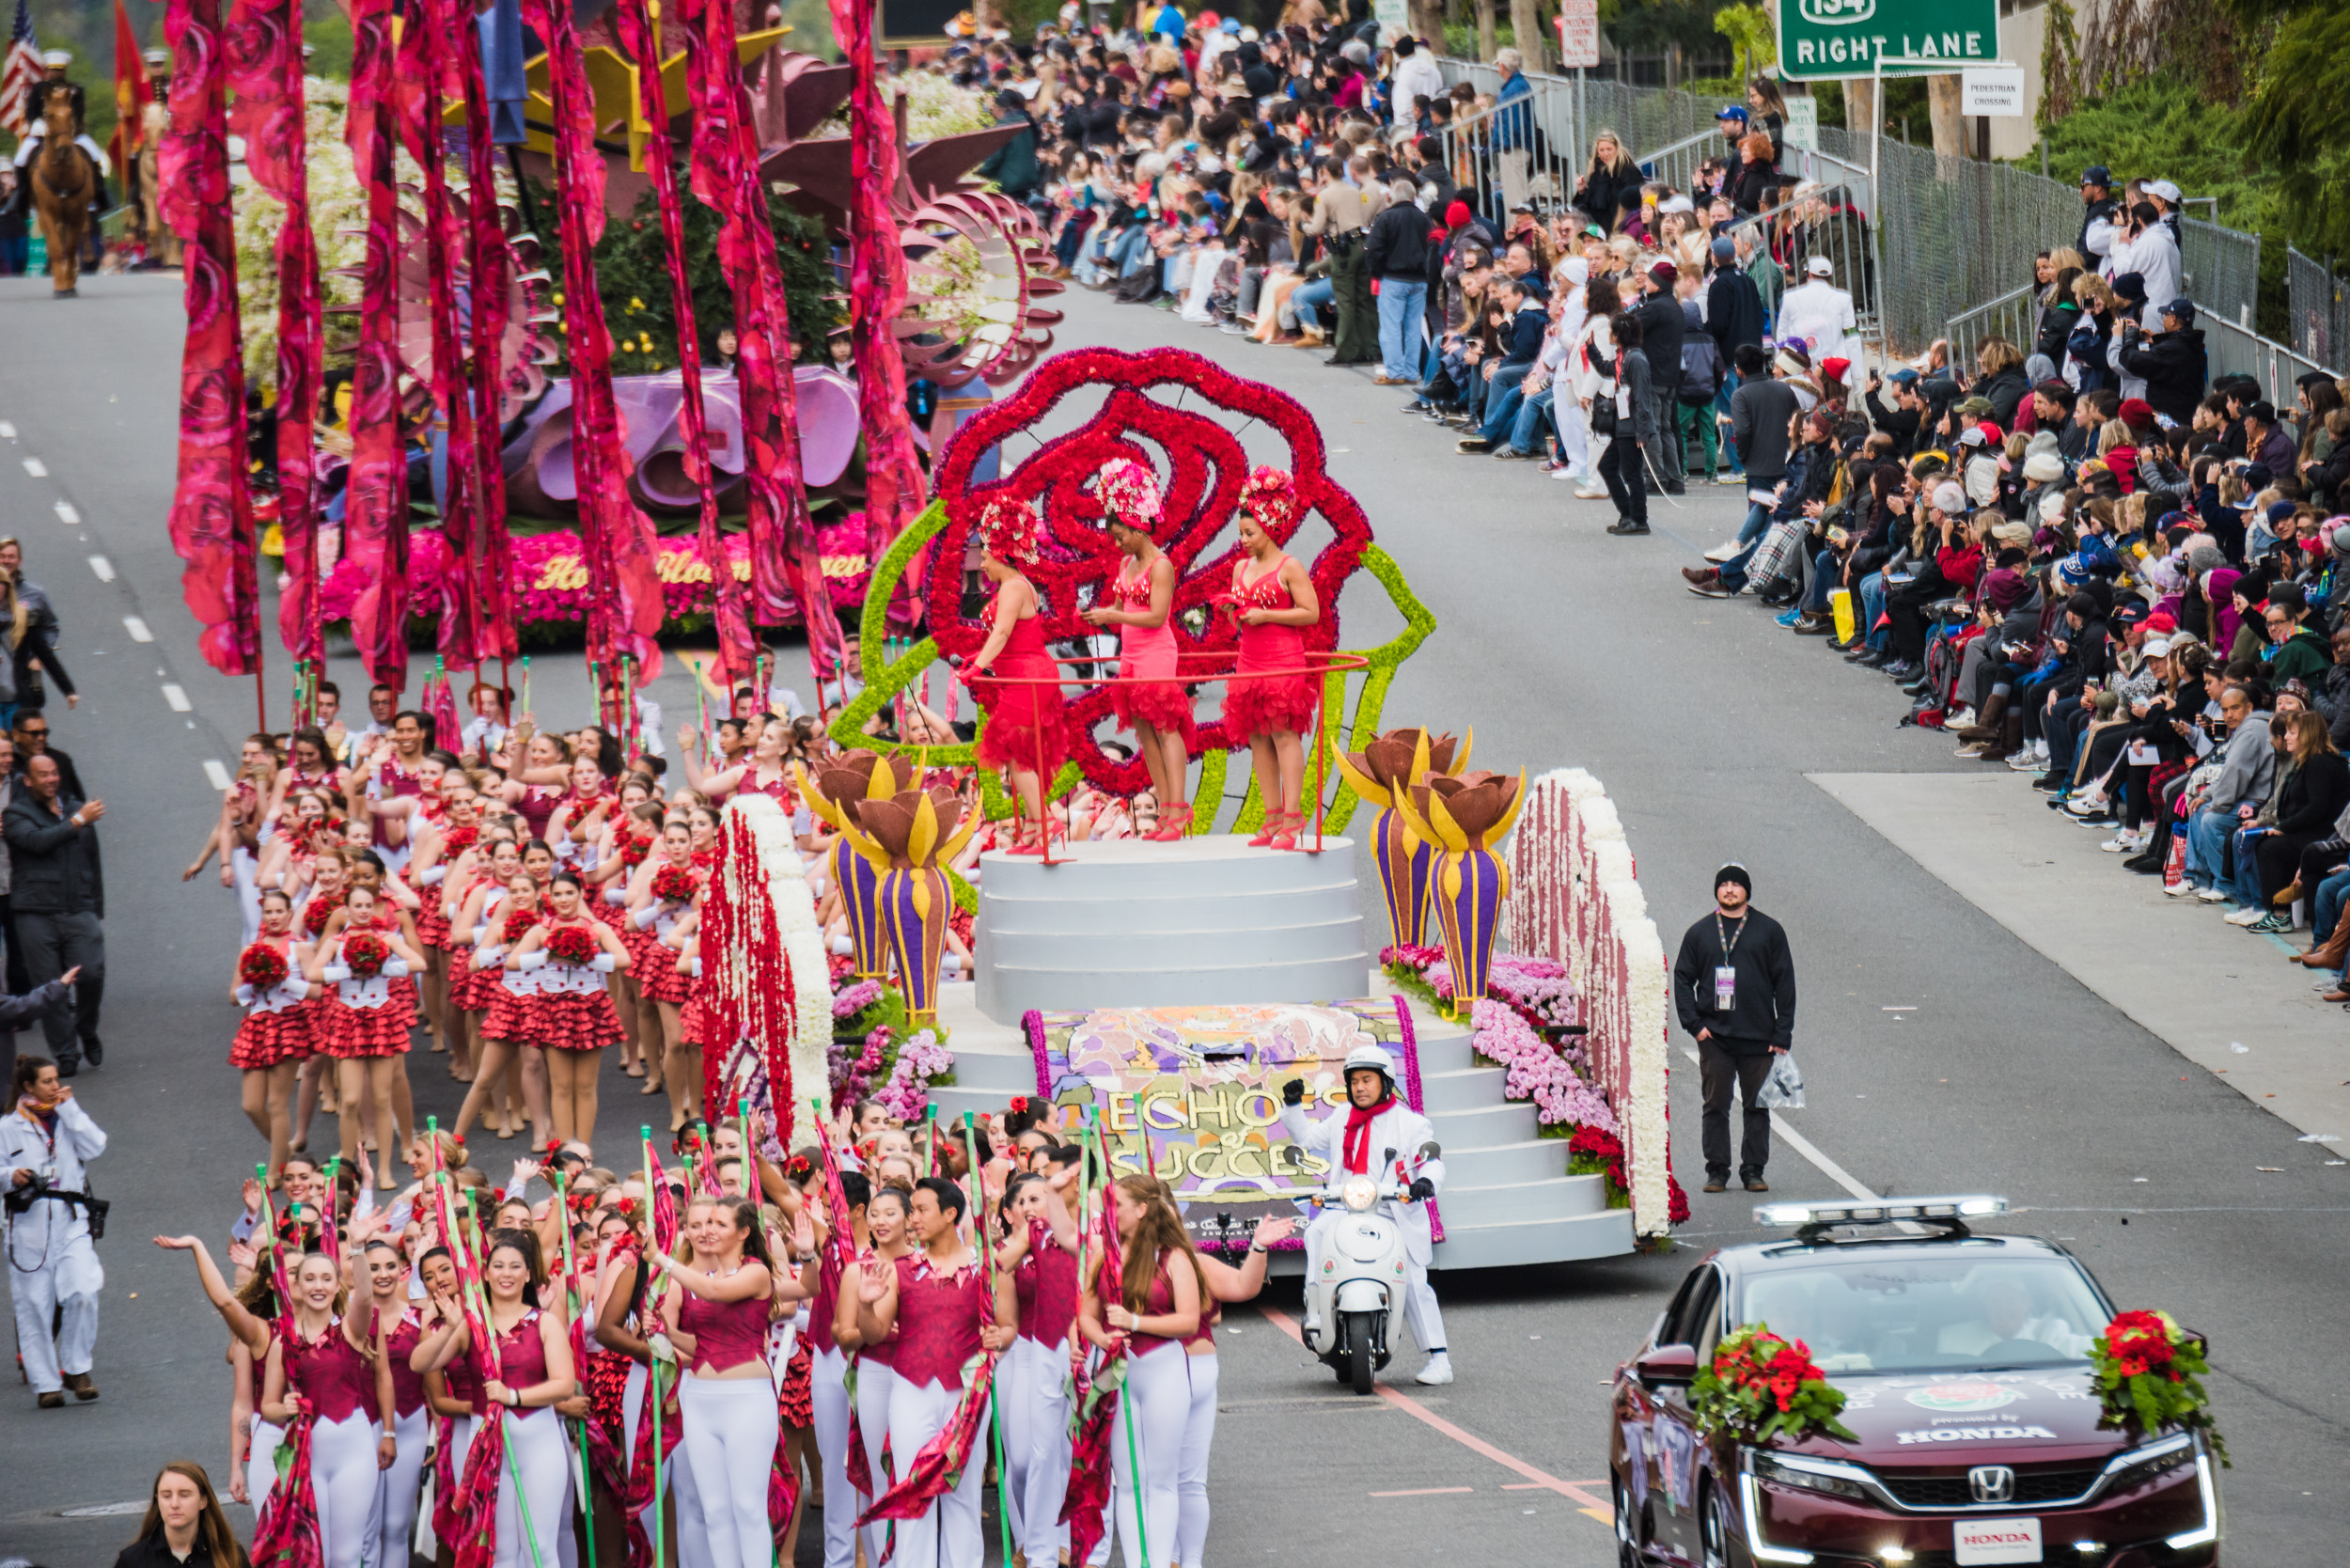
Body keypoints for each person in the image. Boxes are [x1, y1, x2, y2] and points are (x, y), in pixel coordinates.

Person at [1277, 1042, 1450, 1384]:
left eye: (1367, 1080)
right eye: (1354, 1081)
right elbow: (1309, 1138)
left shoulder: (1411, 1123)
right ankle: (1316, 1312)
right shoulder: (1343, 1115)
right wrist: (1293, 1106)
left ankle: (1439, 1359)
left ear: (1385, 1082)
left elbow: (1430, 1161)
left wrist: (1426, 1183)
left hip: (1392, 1210)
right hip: (1346, 1206)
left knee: (1413, 1280)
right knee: (1315, 1232)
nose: (1359, 1087)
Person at [854, 1176, 995, 1568]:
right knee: (910, 1492)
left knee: (963, 1496)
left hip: (966, 1393)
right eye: (911, 1210)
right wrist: (866, 1305)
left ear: (950, 1214)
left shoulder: (985, 1267)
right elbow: (875, 1333)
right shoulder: (899, 1269)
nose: (912, 1219)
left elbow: (1009, 1326)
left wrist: (1003, 1335)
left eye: (920, 1210)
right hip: (911, 1389)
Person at [654, 1194, 803, 1568]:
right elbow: (699, 1344)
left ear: (743, 1232)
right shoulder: (700, 1278)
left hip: (747, 1401)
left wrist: (661, 1258)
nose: (709, 1230)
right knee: (716, 1509)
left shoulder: (756, 1272)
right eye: (704, 1223)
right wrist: (663, 1332)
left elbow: (715, 1293)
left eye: (720, 1223)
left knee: (748, 1506)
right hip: (701, 1400)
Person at [1077, 1173, 1206, 1568]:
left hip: (1164, 1368)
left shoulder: (1174, 1257)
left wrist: (1134, 1323)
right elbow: (1085, 1312)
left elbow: (1188, 1320)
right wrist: (1101, 1338)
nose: (1106, 1212)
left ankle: (1161, 1560)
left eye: (1115, 1204)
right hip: (1118, 1371)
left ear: (1142, 1209)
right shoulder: (1104, 1255)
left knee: (1161, 1480)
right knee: (1129, 1481)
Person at [258, 1250, 396, 1568]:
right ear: (297, 1286)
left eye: (326, 1279)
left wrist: (359, 1251)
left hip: (355, 1450)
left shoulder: (350, 1330)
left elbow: (364, 1298)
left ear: (337, 1286)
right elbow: (268, 1407)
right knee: (314, 1551)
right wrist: (285, 1408)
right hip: (308, 1455)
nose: (317, 1286)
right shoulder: (283, 1341)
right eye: (309, 1279)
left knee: (345, 1555)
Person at [1081, 461, 1197, 838]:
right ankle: (1164, 810)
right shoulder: (1126, 563)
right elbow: (1122, 609)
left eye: (1120, 536)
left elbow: (1156, 616)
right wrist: (1101, 616)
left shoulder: (1161, 566)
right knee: (1145, 733)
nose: (1117, 543)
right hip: (1130, 656)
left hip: (1156, 652)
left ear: (1137, 527)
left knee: (1166, 729)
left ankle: (1178, 810)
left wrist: (1113, 616)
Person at [1671, 864, 1796, 1195]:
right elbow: (1682, 978)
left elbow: (1785, 983)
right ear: (1716, 891)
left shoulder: (1769, 931)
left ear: (1747, 892)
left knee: (1757, 1106)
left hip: (1759, 1037)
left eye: (1736, 885)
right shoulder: (1700, 933)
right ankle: (1717, 1171)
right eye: (1724, 884)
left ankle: (1753, 1170)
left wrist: (1783, 1033)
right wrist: (1694, 1025)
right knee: (1715, 1105)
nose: (1729, 889)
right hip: (1715, 1037)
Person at [1222, 467, 1324, 848]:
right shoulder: (1239, 569)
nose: (1244, 541)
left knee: (1283, 733)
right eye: (1241, 534)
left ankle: (1294, 818)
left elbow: (1310, 612)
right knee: (1257, 736)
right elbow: (1242, 614)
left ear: (1269, 527)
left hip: (1283, 659)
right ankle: (1272, 816)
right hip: (1248, 659)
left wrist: (1267, 615)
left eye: (1250, 533)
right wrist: (1235, 613)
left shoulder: (1290, 567)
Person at [964, 498, 1071, 855]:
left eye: (984, 557)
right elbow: (1002, 641)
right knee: (1019, 754)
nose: (981, 564)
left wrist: (979, 666)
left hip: (1029, 677)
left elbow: (1002, 634)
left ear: (999, 553)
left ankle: (1045, 821)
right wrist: (976, 660)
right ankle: (1033, 829)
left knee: (1011, 749)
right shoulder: (1014, 586)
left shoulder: (1013, 587)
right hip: (1022, 675)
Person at [3, 1052, 105, 1407]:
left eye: (55, 1079)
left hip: (71, 1217)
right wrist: (8, 1176)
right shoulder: (7, 1127)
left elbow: (96, 1145)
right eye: (46, 1081)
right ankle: (46, 1383)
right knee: (34, 1303)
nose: (54, 1086)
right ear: (28, 1086)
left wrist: (72, 1110)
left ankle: (77, 1368)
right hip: (28, 1223)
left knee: (83, 1289)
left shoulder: (67, 1117)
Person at [4, 754, 103, 1074]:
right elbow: (36, 842)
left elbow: (91, 859)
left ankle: (86, 1027)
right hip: (35, 912)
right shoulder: (16, 814)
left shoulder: (75, 807)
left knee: (91, 973)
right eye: (42, 775)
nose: (50, 780)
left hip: (78, 907)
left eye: (54, 774)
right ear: (28, 781)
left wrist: (95, 902)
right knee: (50, 985)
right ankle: (65, 1053)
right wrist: (76, 822)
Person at [113, 1462, 249, 1568]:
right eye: (166, 1496)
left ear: (203, 1501)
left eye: (184, 1495)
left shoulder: (231, 1555)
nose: (174, 1504)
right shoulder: (133, 1560)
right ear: (157, 1501)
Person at [1365, 174, 1433, 385]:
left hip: (1393, 278)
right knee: (1413, 327)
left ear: (1393, 196)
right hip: (1419, 279)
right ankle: (1411, 372)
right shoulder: (1424, 219)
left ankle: (1395, 372)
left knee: (1391, 327)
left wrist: (1376, 272)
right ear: (1413, 197)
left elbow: (1374, 250)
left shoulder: (1386, 218)